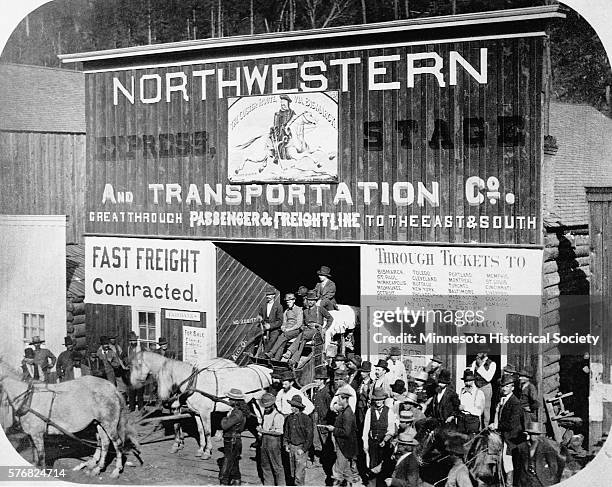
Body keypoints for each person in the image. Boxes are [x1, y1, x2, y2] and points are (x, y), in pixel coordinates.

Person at [490, 374, 526, 487]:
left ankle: (509, 484)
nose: (504, 389)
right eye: (503, 386)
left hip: (512, 437)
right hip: (502, 433)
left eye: (507, 386)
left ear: (512, 388)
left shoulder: (515, 402)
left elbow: (512, 424)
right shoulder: (502, 400)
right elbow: (500, 418)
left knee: (507, 461)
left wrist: (497, 426)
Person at [325, 386, 362, 487]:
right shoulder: (345, 411)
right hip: (344, 445)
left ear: (343, 398)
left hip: (344, 445)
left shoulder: (347, 414)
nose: (337, 400)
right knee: (346, 470)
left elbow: (346, 432)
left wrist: (333, 429)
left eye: (339, 398)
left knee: (337, 470)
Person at [283, 290, 333, 366]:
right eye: (309, 300)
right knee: (303, 340)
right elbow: (303, 323)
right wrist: (303, 327)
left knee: (303, 335)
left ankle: (290, 351)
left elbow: (330, 318)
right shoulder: (305, 311)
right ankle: (294, 360)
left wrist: (325, 328)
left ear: (315, 301)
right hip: (307, 330)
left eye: (312, 300)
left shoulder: (320, 309)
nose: (310, 302)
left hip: (316, 330)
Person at [362, 388, 398, 487]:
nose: (378, 402)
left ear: (384, 400)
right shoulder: (370, 411)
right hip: (373, 442)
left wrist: (385, 439)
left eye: (380, 399)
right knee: (372, 465)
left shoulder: (389, 411)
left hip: (384, 444)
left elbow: (391, 430)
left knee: (383, 465)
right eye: (376, 400)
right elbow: (366, 429)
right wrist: (365, 443)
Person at [514, 422, 565, 487]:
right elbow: (518, 466)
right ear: (529, 434)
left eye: (537, 434)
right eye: (533, 434)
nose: (536, 436)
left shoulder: (545, 447)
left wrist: (550, 478)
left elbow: (553, 465)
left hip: (540, 480)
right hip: (526, 480)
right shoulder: (521, 447)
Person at [219, 388, 248, 486]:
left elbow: (225, 425)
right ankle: (236, 479)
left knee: (227, 460)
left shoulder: (236, 413)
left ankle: (224, 480)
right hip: (235, 439)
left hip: (231, 439)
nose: (228, 401)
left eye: (230, 399)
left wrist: (225, 417)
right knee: (234, 460)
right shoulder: (240, 412)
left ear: (235, 401)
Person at [283, 395, 313, 486]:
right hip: (291, 447)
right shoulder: (289, 418)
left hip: (300, 448)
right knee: (292, 472)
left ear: (298, 408)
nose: (291, 408)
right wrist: (286, 444)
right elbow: (286, 432)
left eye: (293, 406)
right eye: (291, 406)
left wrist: (303, 449)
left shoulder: (306, 419)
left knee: (299, 474)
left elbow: (309, 436)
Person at [257, 392, 285, 486]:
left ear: (273, 405)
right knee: (265, 466)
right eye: (265, 407)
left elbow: (279, 432)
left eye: (268, 406)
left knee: (277, 467)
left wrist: (264, 431)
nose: (266, 408)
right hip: (264, 442)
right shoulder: (265, 414)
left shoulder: (278, 416)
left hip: (274, 442)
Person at [267, 293, 303, 360]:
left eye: (290, 301)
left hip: (296, 330)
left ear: (294, 301)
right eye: (287, 301)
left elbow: (299, 324)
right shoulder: (286, 311)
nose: (288, 303)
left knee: (283, 336)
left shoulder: (299, 309)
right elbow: (284, 322)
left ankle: (272, 353)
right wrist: (283, 327)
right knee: (282, 341)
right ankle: (276, 359)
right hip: (287, 331)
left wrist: (289, 329)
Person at [471, 346, 497, 427]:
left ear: (485, 353)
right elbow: (471, 375)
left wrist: (479, 367)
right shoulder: (474, 362)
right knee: (476, 408)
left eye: (480, 351)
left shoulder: (492, 363)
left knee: (486, 409)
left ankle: (485, 429)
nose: (477, 353)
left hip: (486, 387)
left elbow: (488, 378)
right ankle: (478, 428)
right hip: (476, 387)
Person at [257, 287, 284, 353]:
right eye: (267, 295)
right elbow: (259, 315)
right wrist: (259, 318)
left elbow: (280, 321)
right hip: (264, 327)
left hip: (274, 329)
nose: (268, 296)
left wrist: (270, 326)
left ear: (274, 295)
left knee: (272, 340)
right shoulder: (263, 305)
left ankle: (263, 356)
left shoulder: (278, 306)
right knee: (256, 337)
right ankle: (256, 353)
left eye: (269, 295)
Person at [458, 369, 485, 435]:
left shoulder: (479, 393)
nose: (467, 383)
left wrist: (465, 408)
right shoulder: (461, 391)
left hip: (472, 421)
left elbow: (479, 412)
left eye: (469, 381)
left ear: (473, 381)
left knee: (472, 442)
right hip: (461, 420)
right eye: (465, 381)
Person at [270, 94, 296, 161]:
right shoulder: (277, 114)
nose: (282, 105)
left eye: (284, 103)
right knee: (280, 144)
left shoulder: (292, 113)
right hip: (281, 133)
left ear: (288, 103)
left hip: (291, 132)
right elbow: (276, 125)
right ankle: (277, 157)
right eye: (281, 103)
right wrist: (277, 133)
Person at [125, 331, 144, 412]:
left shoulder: (140, 348)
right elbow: (124, 357)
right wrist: (126, 364)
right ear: (130, 341)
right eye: (132, 340)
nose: (134, 342)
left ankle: (141, 408)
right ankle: (131, 408)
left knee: (140, 392)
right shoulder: (128, 349)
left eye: (135, 340)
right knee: (131, 391)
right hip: (131, 372)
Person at [356, 361, 374, 428]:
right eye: (361, 371)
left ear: (368, 372)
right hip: (359, 407)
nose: (361, 373)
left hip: (365, 408)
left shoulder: (371, 383)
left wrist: (366, 392)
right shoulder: (360, 382)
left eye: (363, 372)